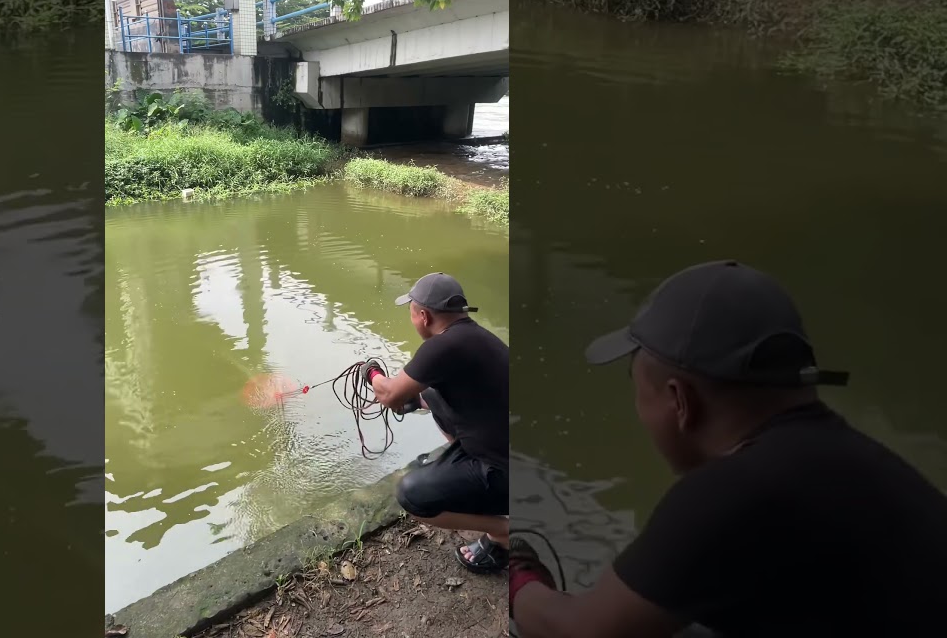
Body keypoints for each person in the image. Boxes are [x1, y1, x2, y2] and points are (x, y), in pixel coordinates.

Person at [509, 260, 947, 637]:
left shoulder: (734, 492)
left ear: (680, 401)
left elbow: (581, 631)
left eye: (638, 390)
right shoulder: (858, 461)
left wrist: (520, 579)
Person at [362, 272, 510, 572]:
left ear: (424, 316)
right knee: (428, 393)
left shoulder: (440, 347)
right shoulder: (477, 337)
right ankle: (466, 469)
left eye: (411, 312)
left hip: (506, 472)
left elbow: (389, 395)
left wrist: (371, 374)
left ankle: (506, 533)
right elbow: (429, 393)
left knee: (413, 496)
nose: (412, 318)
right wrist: (416, 399)